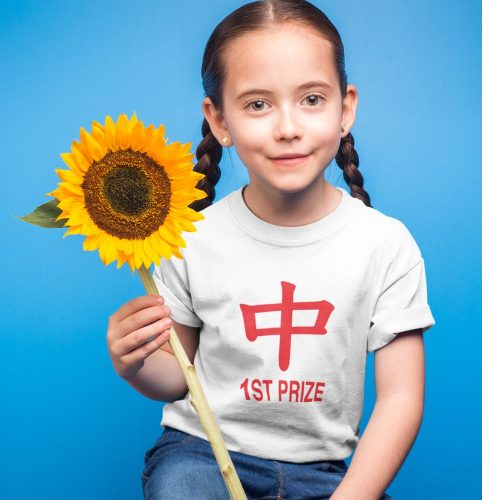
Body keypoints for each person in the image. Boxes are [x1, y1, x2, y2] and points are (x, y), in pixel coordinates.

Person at [106, 1, 436, 498]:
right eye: (257, 104)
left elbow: (401, 398)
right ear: (219, 120)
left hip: (325, 475)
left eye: (311, 99)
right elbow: (177, 379)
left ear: (345, 108)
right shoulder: (190, 238)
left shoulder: (386, 244)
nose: (287, 127)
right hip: (205, 455)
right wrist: (133, 363)